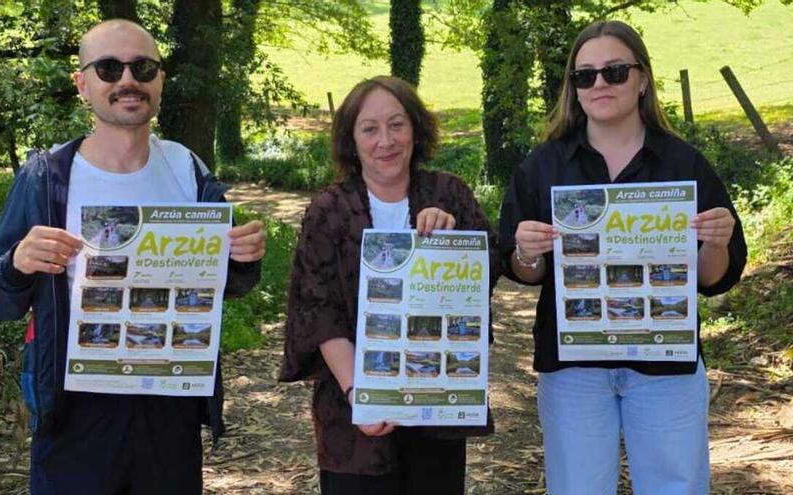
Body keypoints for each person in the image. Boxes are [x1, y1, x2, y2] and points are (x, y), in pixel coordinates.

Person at [0, 19, 266, 495]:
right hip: (74, 410)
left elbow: (230, 284)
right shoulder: (47, 177)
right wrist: (18, 264)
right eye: (109, 68)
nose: (127, 80)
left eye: (142, 67)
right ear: (82, 84)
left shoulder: (187, 169)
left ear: (160, 79)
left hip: (170, 401)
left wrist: (243, 257)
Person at [498, 20, 747, 495]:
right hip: (574, 367)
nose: (599, 84)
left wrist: (715, 241)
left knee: (677, 487)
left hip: (664, 367)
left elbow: (713, 280)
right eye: (584, 75)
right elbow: (525, 272)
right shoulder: (543, 166)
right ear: (572, 87)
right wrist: (526, 252)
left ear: (642, 78)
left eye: (614, 71)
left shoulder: (683, 165)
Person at [279, 75, 498, 495]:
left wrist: (453, 242)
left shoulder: (449, 193)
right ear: (351, 139)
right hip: (354, 407)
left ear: (416, 129)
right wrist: (362, 395)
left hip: (437, 397)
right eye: (370, 128)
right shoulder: (328, 210)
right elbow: (318, 310)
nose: (386, 140)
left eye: (397, 124)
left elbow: (488, 268)